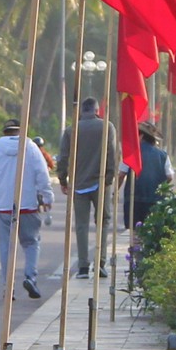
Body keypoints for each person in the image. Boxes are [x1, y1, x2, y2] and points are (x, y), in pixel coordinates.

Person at [0, 117, 54, 300]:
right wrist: (47, 196)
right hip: (27, 205)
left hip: (3, 207)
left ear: (5, 133)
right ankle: (30, 277)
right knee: (31, 243)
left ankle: (7, 286)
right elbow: (43, 175)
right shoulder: (32, 149)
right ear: (21, 132)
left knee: (6, 248)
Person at [55, 98, 117, 279]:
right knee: (102, 222)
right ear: (97, 110)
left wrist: (63, 179)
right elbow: (111, 154)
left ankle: (83, 266)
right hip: (101, 182)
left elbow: (63, 157)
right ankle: (100, 263)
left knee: (81, 225)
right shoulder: (107, 127)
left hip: (78, 184)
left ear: (82, 111)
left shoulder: (71, 130)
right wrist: (110, 178)